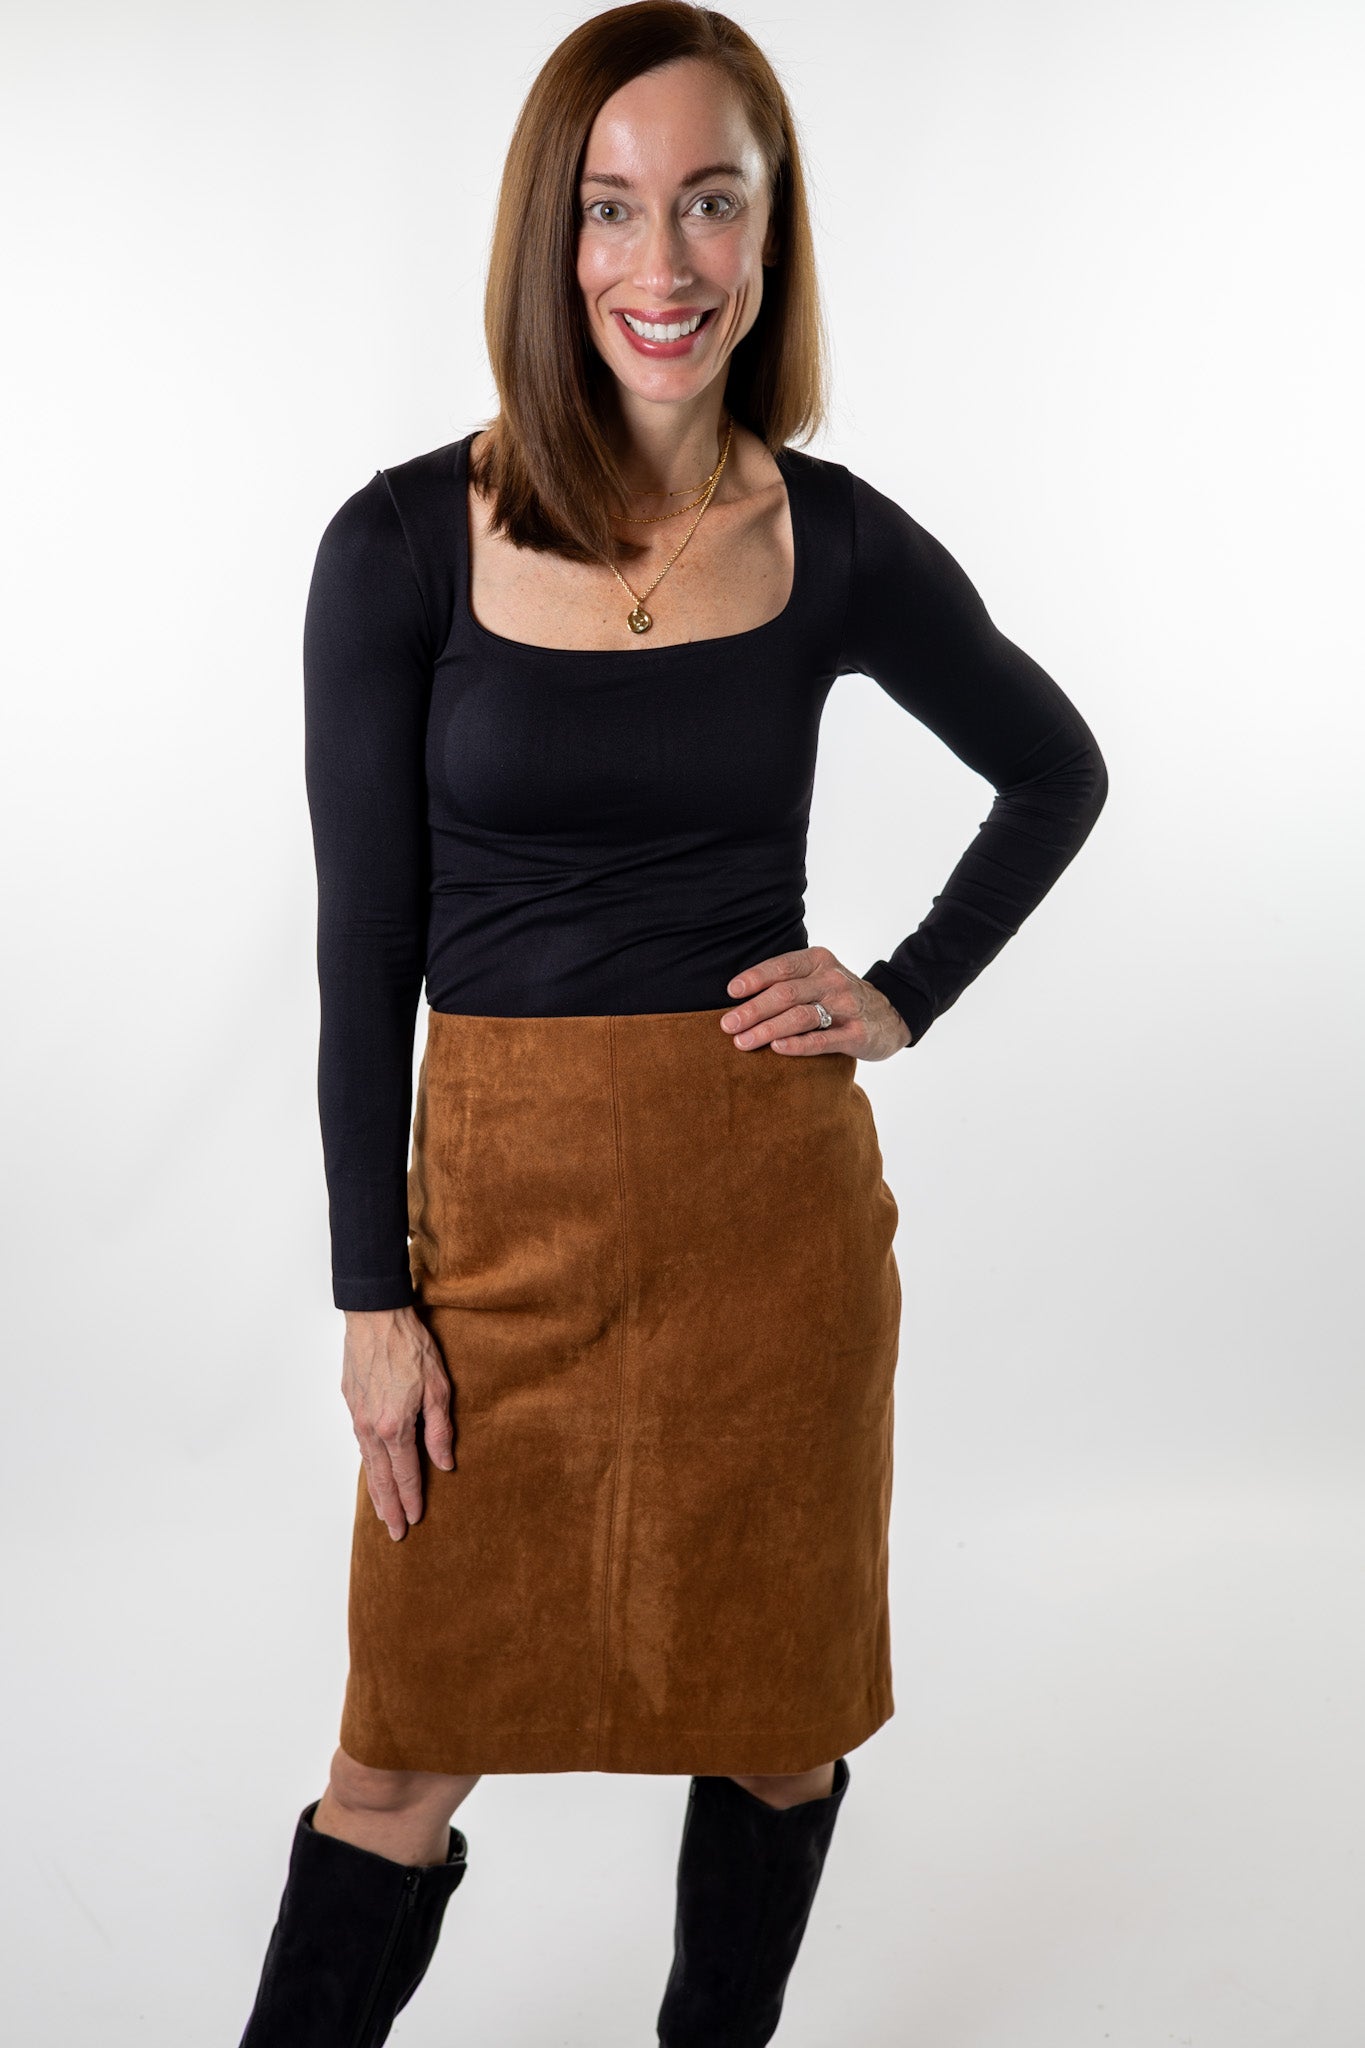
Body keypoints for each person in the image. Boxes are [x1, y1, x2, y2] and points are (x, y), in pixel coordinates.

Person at [237, 4, 1109, 2043]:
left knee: (778, 1722)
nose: (663, 263)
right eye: (613, 209)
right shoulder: (395, 546)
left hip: (763, 1231)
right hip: (503, 1238)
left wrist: (896, 991)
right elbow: (363, 949)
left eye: (709, 202)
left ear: (767, 228)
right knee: (394, 1756)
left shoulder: (828, 541)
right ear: (549, 240)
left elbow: (1050, 770)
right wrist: (377, 1295)